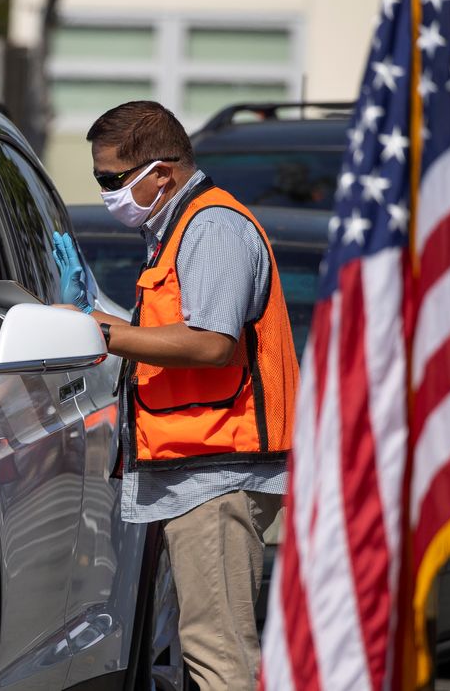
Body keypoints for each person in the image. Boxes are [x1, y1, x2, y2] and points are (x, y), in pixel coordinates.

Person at [54, 101, 298, 690]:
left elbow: (212, 343)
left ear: (161, 173)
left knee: (218, 653)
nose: (107, 193)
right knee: (207, 643)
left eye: (113, 180)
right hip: (199, 466)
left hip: (219, 472)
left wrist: (100, 332)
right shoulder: (176, 227)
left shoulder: (211, 226)